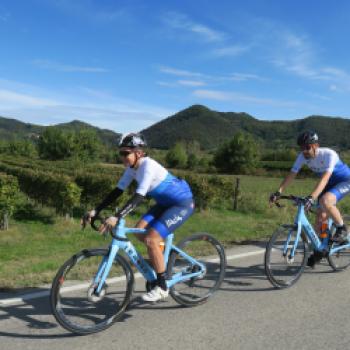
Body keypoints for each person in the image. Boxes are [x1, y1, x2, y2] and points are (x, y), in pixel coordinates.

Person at [86, 133, 195, 302]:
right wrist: (96, 210)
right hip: (164, 203)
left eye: (125, 153)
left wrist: (117, 216)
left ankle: (162, 286)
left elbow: (138, 196)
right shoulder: (131, 169)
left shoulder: (148, 166)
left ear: (138, 153)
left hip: (181, 204)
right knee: (139, 231)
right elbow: (117, 191)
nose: (122, 157)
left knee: (151, 239)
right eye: (120, 153)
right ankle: (161, 257)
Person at [269, 130, 350, 268]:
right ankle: (322, 248)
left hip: (344, 181)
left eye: (307, 147)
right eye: (302, 148)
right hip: (328, 184)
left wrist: (312, 197)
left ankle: (342, 228)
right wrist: (278, 191)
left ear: (316, 145)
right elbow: (292, 175)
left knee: (325, 201)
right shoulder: (302, 157)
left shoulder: (329, 154)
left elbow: (325, 178)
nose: (304, 151)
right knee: (320, 219)